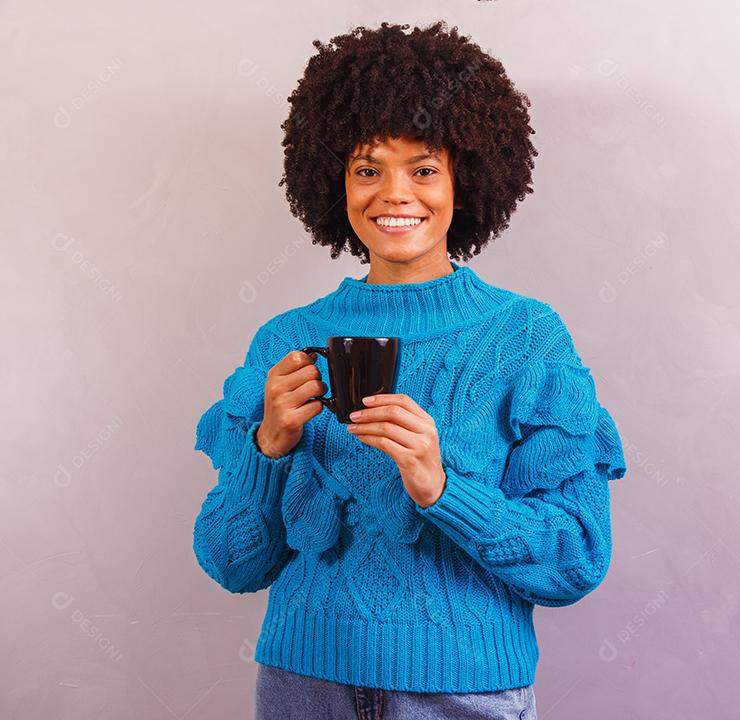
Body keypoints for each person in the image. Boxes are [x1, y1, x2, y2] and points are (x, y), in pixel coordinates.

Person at [191, 20, 627, 720]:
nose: (394, 194)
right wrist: (267, 447)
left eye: (423, 170)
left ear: (466, 180)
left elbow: (575, 559)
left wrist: (440, 486)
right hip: (304, 685)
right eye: (368, 170)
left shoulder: (527, 338)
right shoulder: (287, 340)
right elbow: (231, 562)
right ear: (336, 183)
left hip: (462, 693)